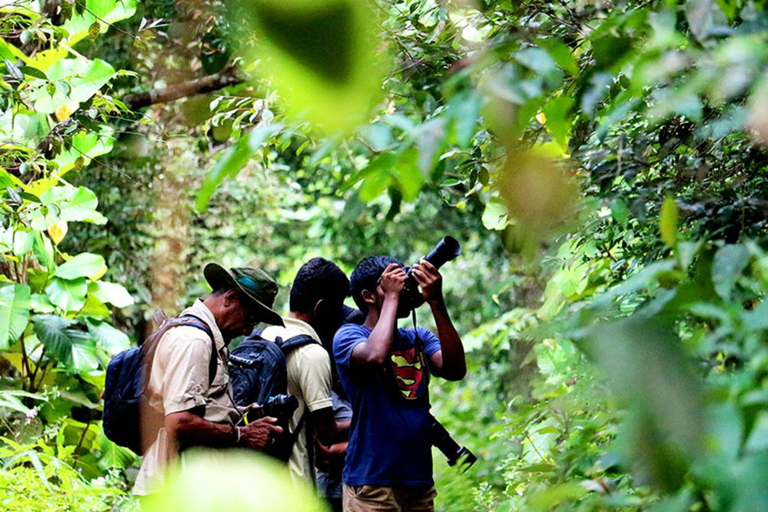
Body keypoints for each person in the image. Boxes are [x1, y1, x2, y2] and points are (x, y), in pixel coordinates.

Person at [133, 263, 286, 496]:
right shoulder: (195, 341)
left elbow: (193, 404)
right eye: (250, 318)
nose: (247, 331)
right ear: (230, 298)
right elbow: (179, 422)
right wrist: (243, 435)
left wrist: (236, 412)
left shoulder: (204, 335)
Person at [333, 256, 467, 512]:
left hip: (417, 482)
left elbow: (454, 370)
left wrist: (436, 302)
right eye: (390, 285)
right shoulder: (349, 336)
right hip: (371, 483)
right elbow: (374, 355)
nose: (402, 289)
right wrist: (392, 298)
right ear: (368, 296)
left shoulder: (417, 337)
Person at [256, 257, 350, 485]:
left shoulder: (261, 337)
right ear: (321, 308)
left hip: (256, 477)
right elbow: (328, 432)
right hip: (294, 483)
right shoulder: (312, 353)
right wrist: (369, 416)